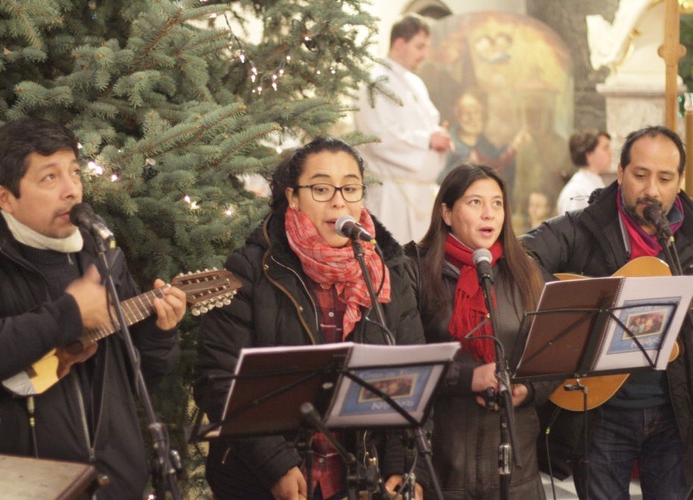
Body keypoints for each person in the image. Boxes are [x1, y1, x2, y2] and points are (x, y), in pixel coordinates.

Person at [193, 137, 429, 499]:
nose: (339, 200)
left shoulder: (387, 271)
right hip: (268, 480)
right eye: (321, 189)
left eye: (350, 188)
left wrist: (399, 462)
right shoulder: (253, 269)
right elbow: (218, 380)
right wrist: (276, 465)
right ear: (292, 197)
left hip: (361, 479)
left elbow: (411, 376)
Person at [0, 119, 185, 498]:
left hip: (115, 482)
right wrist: (69, 314)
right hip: (20, 486)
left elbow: (140, 380)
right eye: (49, 178)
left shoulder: (100, 254)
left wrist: (159, 332)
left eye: (74, 172)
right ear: (4, 197)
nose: (72, 191)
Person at [521, 125, 693, 499]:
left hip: (675, 417)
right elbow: (521, 257)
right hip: (600, 415)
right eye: (640, 175)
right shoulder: (584, 227)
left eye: (664, 178)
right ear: (620, 171)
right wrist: (579, 303)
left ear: (679, 182)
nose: (651, 190)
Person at [404, 163, 553, 498]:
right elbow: (401, 362)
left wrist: (527, 389)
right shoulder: (413, 271)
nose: (489, 214)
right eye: (475, 203)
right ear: (446, 212)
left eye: (497, 203)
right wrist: (467, 378)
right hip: (443, 466)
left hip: (518, 470)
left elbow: (556, 353)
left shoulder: (527, 272)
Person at [354, 14, 453, 244]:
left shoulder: (415, 82)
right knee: (393, 265)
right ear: (399, 44)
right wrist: (428, 141)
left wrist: (440, 135)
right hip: (391, 193)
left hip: (419, 192)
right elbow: (378, 137)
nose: (424, 55)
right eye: (419, 46)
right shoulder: (376, 80)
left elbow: (430, 124)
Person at [437, 89, 531, 195]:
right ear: (458, 115)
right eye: (466, 113)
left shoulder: (487, 147)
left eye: (476, 112)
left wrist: (515, 145)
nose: (472, 118)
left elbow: (498, 165)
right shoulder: (448, 144)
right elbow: (438, 180)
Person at [556, 129, 612, 213]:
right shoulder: (576, 191)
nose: (611, 152)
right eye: (605, 148)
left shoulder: (595, 183)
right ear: (589, 154)